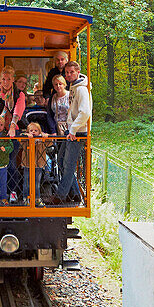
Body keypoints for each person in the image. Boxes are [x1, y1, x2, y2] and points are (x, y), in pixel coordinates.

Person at [54, 61, 91, 204]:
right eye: (67, 72)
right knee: (61, 159)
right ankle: (75, 193)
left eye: (71, 72)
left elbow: (85, 112)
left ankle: (60, 197)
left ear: (77, 72)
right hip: (72, 131)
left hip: (77, 133)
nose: (68, 75)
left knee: (68, 165)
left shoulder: (81, 89)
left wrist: (74, 129)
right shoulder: (74, 87)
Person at [0, 65, 26, 137]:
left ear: (13, 79)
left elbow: (17, 113)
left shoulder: (19, 94)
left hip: (15, 128)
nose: (6, 82)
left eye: (9, 79)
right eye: (3, 79)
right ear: (0, 80)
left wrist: (12, 127)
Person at [25, 121, 54, 205]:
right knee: (27, 182)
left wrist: (46, 136)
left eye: (35, 130)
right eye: (31, 131)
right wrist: (26, 135)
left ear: (39, 132)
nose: (33, 132)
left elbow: (50, 142)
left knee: (37, 183)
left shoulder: (41, 140)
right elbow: (21, 138)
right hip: (28, 163)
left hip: (38, 164)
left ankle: (36, 198)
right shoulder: (26, 140)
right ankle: (26, 198)